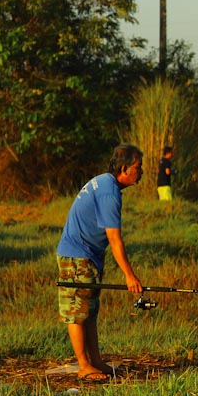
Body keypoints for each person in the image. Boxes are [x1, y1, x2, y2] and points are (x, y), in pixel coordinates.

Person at [56, 144, 144, 383]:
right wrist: (130, 276)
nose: (141, 171)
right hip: (76, 255)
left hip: (90, 255)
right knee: (77, 311)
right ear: (124, 168)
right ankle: (83, 365)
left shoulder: (106, 182)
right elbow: (114, 239)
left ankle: (95, 360)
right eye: (138, 167)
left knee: (90, 310)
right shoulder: (109, 192)